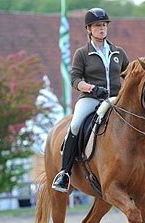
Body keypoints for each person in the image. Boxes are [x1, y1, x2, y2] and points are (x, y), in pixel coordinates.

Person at [52, 7, 129, 192]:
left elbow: (129, 75)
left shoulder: (118, 52)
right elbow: (75, 80)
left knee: (140, 121)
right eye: (97, 26)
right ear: (89, 29)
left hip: (116, 100)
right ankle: (64, 173)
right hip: (91, 99)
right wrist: (92, 88)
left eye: (103, 25)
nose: (101, 28)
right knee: (76, 124)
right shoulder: (82, 53)